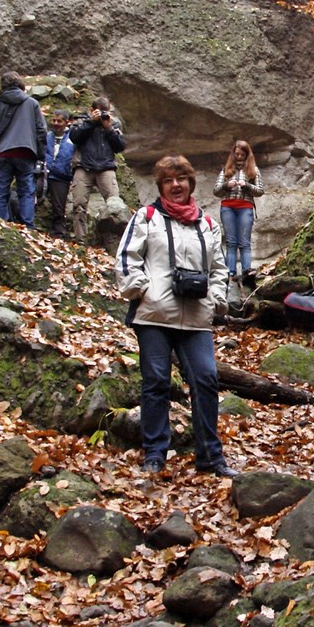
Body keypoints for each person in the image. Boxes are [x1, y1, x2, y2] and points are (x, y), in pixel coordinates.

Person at [116, 156, 237, 478]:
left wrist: (217, 300)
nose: (176, 185)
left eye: (181, 179)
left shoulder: (208, 224)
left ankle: (210, 457)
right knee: (156, 382)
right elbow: (128, 257)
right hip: (154, 314)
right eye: (169, 180)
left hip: (196, 316)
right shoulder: (148, 216)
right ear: (161, 186)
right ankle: (155, 454)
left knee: (206, 380)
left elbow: (220, 268)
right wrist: (142, 290)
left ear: (191, 183)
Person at [0, 71, 47, 226]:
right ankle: (28, 226)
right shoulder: (32, 103)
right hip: (26, 151)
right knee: (26, 191)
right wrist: (41, 155)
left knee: (0, 191)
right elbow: (41, 130)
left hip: (2, 153)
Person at [67, 97, 128, 245]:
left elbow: (120, 146)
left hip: (106, 167)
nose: (102, 115)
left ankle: (117, 242)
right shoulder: (81, 121)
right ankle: (80, 240)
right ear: (91, 110)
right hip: (84, 166)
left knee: (115, 206)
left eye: (104, 112)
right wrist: (90, 122)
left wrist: (109, 129)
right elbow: (74, 137)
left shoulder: (113, 124)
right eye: (98, 112)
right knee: (79, 205)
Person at [214, 140, 265, 287]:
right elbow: (216, 191)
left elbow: (260, 191)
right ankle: (230, 274)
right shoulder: (226, 170)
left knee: (244, 243)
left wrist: (247, 186)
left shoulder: (253, 170)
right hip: (227, 207)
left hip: (245, 207)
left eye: (242, 154)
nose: (239, 157)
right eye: (237, 154)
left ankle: (246, 273)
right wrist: (226, 185)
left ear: (247, 155)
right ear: (233, 154)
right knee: (231, 242)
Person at [43, 110, 76, 238]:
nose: (56, 124)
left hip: (61, 176)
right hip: (44, 173)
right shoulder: (47, 136)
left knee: (58, 206)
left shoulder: (73, 137)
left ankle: (59, 232)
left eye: (59, 121)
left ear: (66, 123)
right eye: (54, 120)